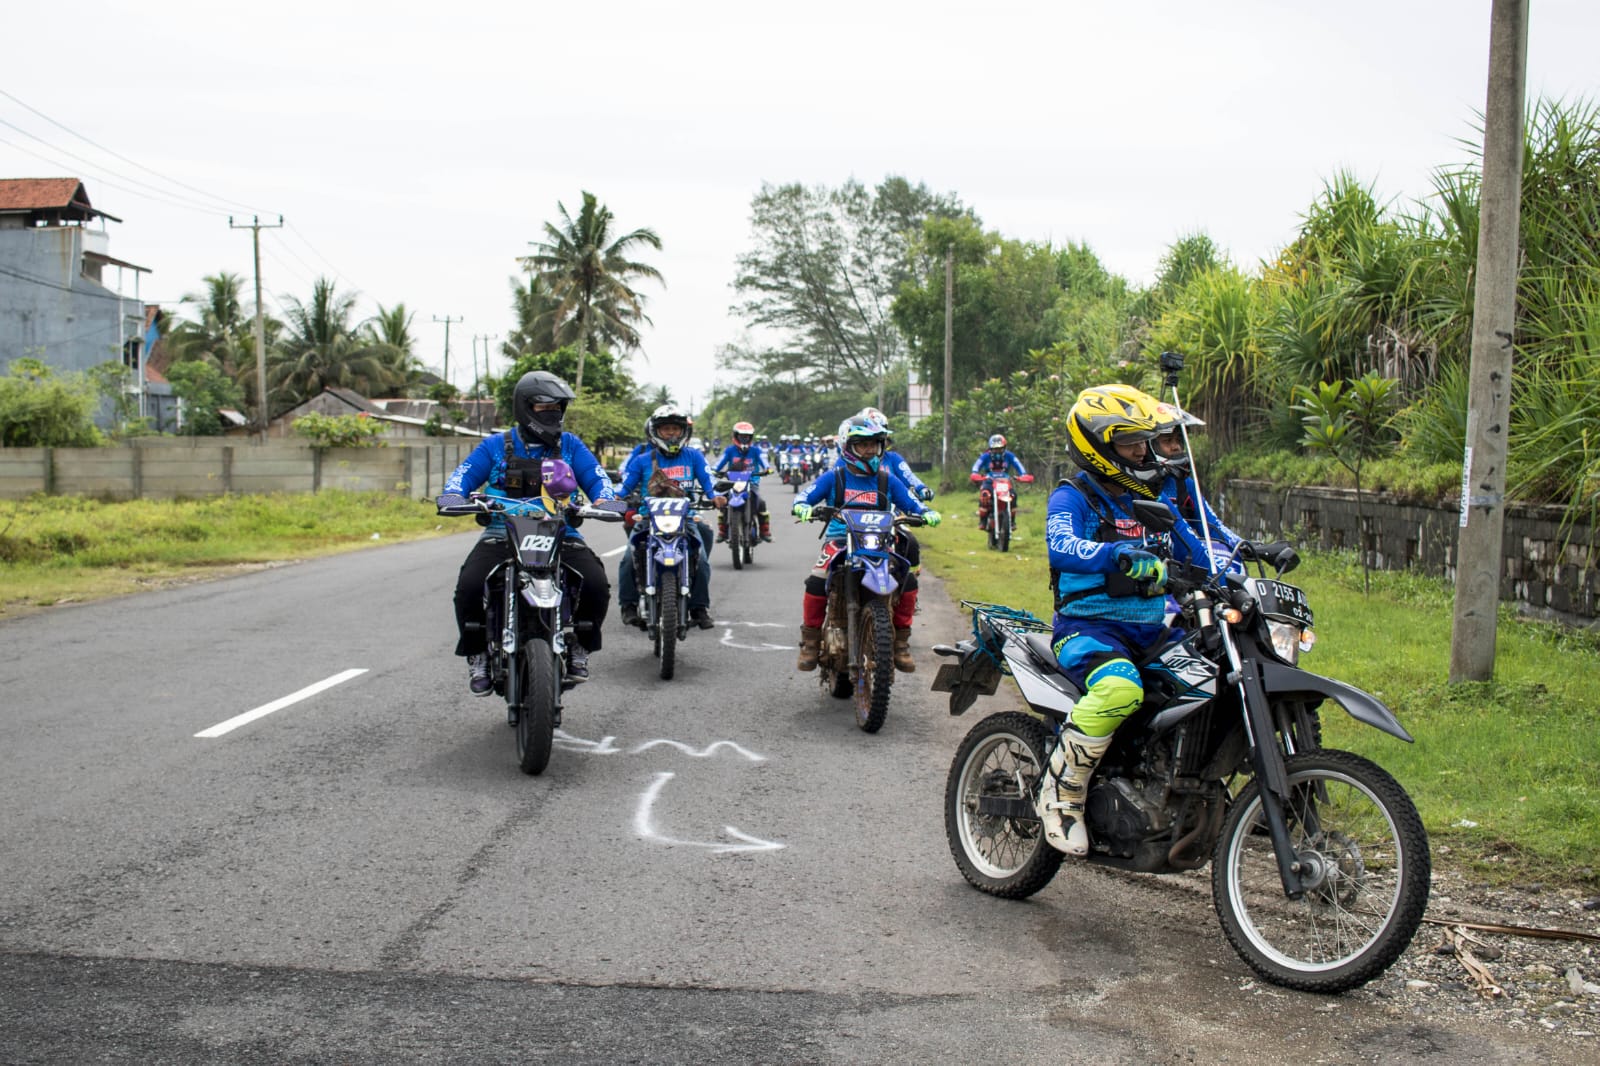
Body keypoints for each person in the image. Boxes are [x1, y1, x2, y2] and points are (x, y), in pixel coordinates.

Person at [437, 371, 616, 693]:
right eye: (544, 406)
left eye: (558, 407)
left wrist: (606, 501)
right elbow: (462, 477)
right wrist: (453, 495)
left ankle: (580, 648)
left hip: (560, 534)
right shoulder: (494, 445)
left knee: (597, 585)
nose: (553, 413)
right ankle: (477, 653)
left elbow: (597, 478)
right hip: (501, 532)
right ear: (524, 407)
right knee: (468, 586)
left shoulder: (571, 446)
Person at [791, 415, 940, 673]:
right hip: (840, 540)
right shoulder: (834, 477)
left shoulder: (886, 479)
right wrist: (803, 507)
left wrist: (925, 512)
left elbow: (911, 503)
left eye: (874, 444)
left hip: (879, 542)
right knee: (816, 580)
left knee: (909, 580)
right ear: (847, 446)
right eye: (863, 444)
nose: (870, 450)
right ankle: (811, 642)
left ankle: (901, 642)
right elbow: (805, 496)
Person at [616, 404, 724, 630]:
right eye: (666, 429)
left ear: (684, 432)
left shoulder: (694, 456)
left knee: (702, 560)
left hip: (685, 518)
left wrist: (716, 496)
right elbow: (624, 489)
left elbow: (708, 479)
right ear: (656, 432)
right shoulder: (642, 460)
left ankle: (699, 607)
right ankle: (628, 605)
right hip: (648, 519)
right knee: (628, 559)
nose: (672, 434)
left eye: (676, 429)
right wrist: (610, 501)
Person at [713, 421, 773, 542]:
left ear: (751, 437)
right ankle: (723, 530)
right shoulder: (729, 450)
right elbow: (720, 462)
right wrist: (714, 470)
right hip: (732, 483)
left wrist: (767, 468)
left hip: (751, 483)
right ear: (736, 436)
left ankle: (764, 530)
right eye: (741, 436)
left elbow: (763, 461)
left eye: (747, 437)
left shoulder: (756, 451)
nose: (744, 439)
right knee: (722, 502)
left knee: (761, 502)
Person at [970, 434, 1030, 532]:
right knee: (985, 494)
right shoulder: (985, 456)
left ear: (1004, 448)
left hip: (1005, 482)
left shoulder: (1009, 456)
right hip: (989, 481)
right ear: (990, 449)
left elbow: (1018, 464)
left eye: (1000, 449)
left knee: (1013, 495)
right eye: (995, 449)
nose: (997, 451)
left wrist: (1023, 475)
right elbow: (976, 466)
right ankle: (983, 521)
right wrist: (975, 473)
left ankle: (1012, 521)